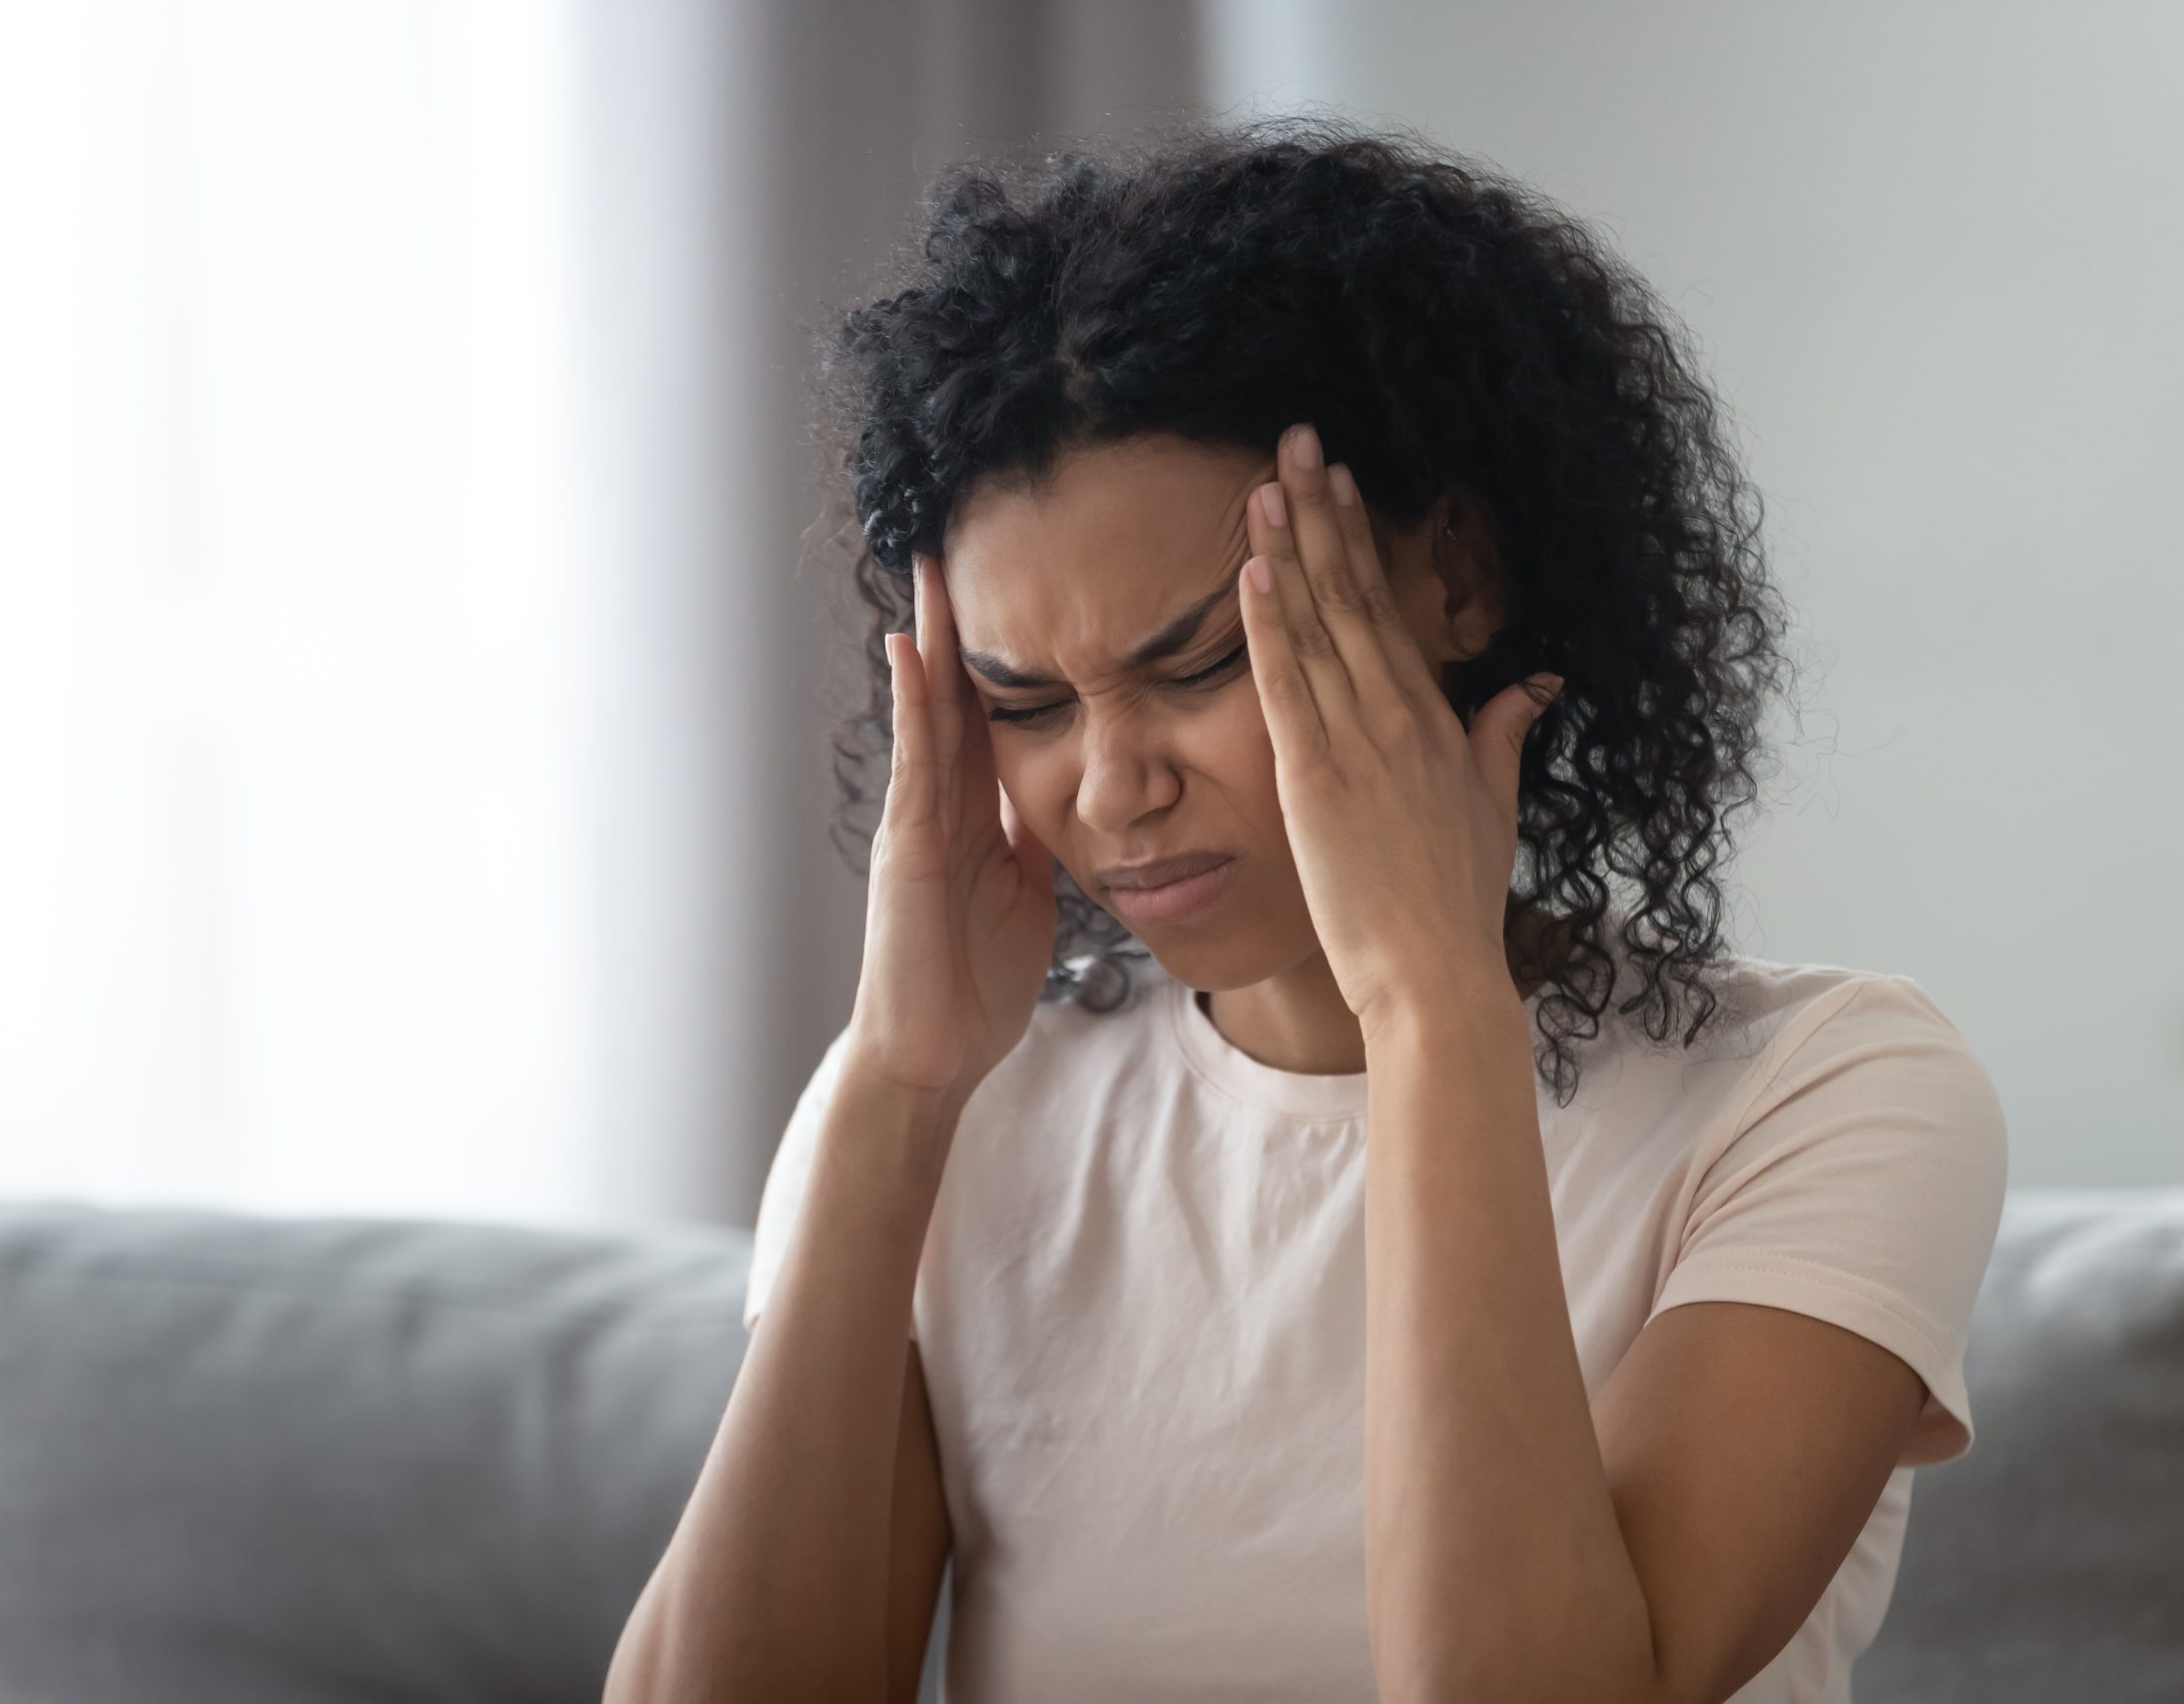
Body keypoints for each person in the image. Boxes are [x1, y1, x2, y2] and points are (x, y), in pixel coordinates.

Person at [606, 114, 2008, 1704]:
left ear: (1459, 575)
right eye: (1028, 705)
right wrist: (894, 1091)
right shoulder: (956, 1117)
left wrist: (1430, 1010)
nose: (1113, 785)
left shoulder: (1826, 1095)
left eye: (1196, 665)